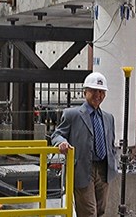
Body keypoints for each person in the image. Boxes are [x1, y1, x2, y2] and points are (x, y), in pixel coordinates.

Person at [51, 72, 118, 217]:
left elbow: (111, 143)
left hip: (104, 169)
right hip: (82, 169)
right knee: (88, 212)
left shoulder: (108, 118)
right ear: (85, 92)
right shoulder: (72, 115)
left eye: (101, 92)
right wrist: (62, 142)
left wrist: (114, 161)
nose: (98, 95)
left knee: (101, 210)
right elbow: (56, 134)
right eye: (93, 91)